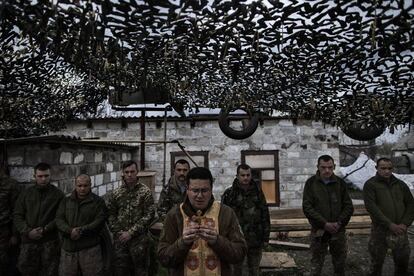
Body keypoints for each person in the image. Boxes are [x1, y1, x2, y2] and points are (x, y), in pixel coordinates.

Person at [158, 167, 247, 276]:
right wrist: (182, 243)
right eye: (195, 190)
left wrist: (217, 241)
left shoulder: (226, 213)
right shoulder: (174, 215)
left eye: (204, 190)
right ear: (187, 190)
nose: (199, 196)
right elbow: (163, 258)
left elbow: (240, 253)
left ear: (211, 189)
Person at [302, 155, 354, 276]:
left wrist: (339, 223)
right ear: (318, 167)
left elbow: (348, 206)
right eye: (323, 167)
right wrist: (324, 224)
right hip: (319, 231)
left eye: (330, 167)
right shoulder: (311, 183)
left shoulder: (340, 183)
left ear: (334, 167)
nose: (327, 170)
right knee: (316, 264)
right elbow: (307, 208)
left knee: (340, 264)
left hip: (338, 230)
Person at [363, 157, 414, 276]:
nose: (387, 171)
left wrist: (404, 223)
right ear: (376, 168)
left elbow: (411, 204)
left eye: (389, 168)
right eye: (383, 168)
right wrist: (389, 224)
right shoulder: (370, 185)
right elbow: (372, 208)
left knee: (402, 263)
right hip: (380, 231)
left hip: (400, 231)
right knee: (376, 264)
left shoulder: (400, 185)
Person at [13, 162, 64, 276]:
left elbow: (60, 217)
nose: (43, 179)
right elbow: (17, 215)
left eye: (46, 176)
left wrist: (45, 229)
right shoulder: (26, 194)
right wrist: (27, 231)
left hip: (49, 242)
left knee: (50, 271)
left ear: (50, 176)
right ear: (34, 176)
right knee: (26, 270)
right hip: (28, 242)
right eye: (40, 176)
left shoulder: (58, 195)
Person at [107, 160, 156, 276]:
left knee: (140, 270)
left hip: (139, 241)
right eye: (127, 172)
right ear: (123, 173)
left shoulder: (145, 192)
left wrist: (131, 232)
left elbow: (149, 215)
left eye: (132, 171)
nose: (129, 175)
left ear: (137, 172)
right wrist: (119, 232)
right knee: (120, 270)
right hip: (121, 241)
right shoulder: (116, 193)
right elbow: (110, 214)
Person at [221, 164, 270, 276]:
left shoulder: (258, 192)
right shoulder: (230, 194)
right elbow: (223, 218)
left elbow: (265, 214)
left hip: (255, 239)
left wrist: (266, 237)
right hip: (235, 240)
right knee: (236, 271)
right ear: (237, 176)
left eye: (248, 175)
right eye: (242, 175)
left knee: (254, 270)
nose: (246, 178)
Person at [56, 174, 108, 276]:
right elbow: (59, 219)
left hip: (90, 249)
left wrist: (81, 230)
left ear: (90, 185)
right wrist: (69, 231)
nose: (82, 188)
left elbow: (99, 221)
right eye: (79, 186)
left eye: (85, 185)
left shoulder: (98, 202)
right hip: (69, 249)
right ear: (75, 185)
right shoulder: (66, 201)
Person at [0, 166, 20, 276]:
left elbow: (16, 211)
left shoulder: (10, 184)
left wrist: (14, 234)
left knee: (3, 263)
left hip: (3, 231)